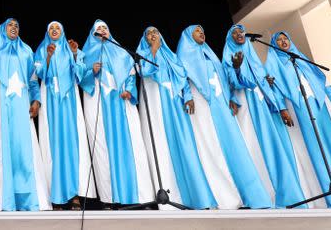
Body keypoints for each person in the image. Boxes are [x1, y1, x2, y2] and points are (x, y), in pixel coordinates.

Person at [265, 31, 331, 208]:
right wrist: (283, 109)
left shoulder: (301, 59)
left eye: (286, 39)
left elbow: (325, 83)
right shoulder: (274, 64)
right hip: (299, 108)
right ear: (275, 45)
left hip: (321, 105)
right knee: (316, 150)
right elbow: (274, 88)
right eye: (279, 40)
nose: (284, 42)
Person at [176, 24, 271, 209]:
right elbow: (183, 79)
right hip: (202, 104)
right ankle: (223, 197)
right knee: (212, 146)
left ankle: (245, 195)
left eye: (203, 30)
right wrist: (187, 96)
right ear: (188, 36)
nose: (201, 32)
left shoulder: (211, 54)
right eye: (197, 30)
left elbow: (225, 79)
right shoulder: (184, 55)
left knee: (233, 146)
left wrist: (232, 97)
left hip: (221, 105)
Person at [0, 18, 50, 211]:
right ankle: (2, 201)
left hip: (21, 103)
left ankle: (28, 199)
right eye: (10, 25)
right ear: (2, 29)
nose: (14, 28)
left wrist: (36, 100)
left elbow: (33, 79)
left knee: (24, 148)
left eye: (17, 26)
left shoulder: (26, 51)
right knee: (0, 147)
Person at [222, 24, 307, 208]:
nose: (239, 34)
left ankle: (283, 195)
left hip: (263, 106)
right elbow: (232, 83)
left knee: (272, 147)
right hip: (247, 105)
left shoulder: (253, 56)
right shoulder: (229, 57)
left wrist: (277, 104)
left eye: (241, 31)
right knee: (254, 146)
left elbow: (263, 82)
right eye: (234, 33)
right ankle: (261, 196)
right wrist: (236, 69)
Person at [135, 26, 216, 209]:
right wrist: (153, 49)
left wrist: (187, 97)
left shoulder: (171, 56)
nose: (153, 35)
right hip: (156, 102)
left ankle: (195, 196)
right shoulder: (142, 53)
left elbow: (182, 77)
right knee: (160, 144)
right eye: (149, 33)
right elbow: (145, 71)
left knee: (183, 144)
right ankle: (165, 195)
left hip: (174, 103)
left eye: (156, 32)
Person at [79, 20, 153, 208]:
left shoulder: (121, 52)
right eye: (98, 29)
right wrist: (91, 71)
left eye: (105, 28)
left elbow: (130, 74)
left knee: (131, 145)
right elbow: (80, 77)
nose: (102, 31)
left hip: (121, 101)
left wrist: (129, 90)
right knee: (103, 147)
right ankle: (110, 198)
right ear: (93, 34)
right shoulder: (85, 54)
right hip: (98, 103)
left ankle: (138, 195)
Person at [33, 21, 95, 209]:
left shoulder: (71, 50)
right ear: (47, 32)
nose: (54, 31)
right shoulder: (42, 49)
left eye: (57, 28)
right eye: (51, 28)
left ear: (62, 31)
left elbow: (80, 74)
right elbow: (39, 73)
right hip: (50, 99)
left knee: (71, 145)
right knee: (52, 146)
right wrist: (49, 57)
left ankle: (74, 194)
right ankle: (55, 195)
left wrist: (75, 54)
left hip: (69, 101)